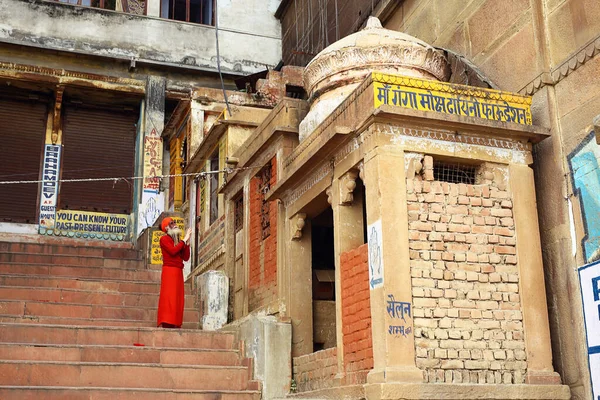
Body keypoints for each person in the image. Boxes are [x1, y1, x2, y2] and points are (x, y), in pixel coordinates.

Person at [157, 217, 192, 328]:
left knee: (177, 298)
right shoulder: (164, 239)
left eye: (175, 222)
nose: (175, 224)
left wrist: (187, 243)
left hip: (178, 271)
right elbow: (173, 251)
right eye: (172, 223)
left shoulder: (178, 240)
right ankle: (167, 321)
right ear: (167, 228)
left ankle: (176, 322)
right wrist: (183, 240)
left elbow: (185, 257)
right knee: (169, 297)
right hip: (169, 271)